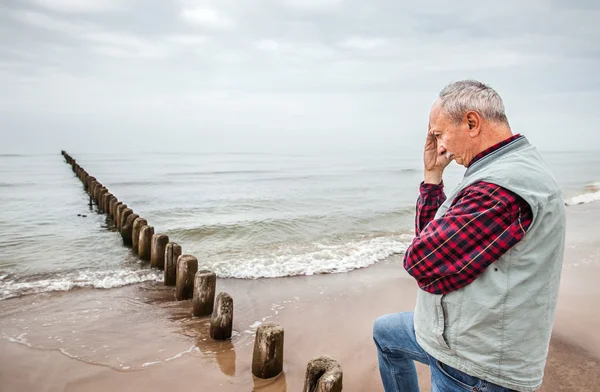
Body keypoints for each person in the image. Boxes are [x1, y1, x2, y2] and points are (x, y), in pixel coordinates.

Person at [373, 80, 566, 392]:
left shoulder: (500, 189)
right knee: (385, 333)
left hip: (475, 367)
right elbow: (431, 245)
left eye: (439, 134)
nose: (440, 146)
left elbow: (421, 263)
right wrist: (433, 178)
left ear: (472, 122)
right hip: (455, 334)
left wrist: (429, 259)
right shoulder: (499, 168)